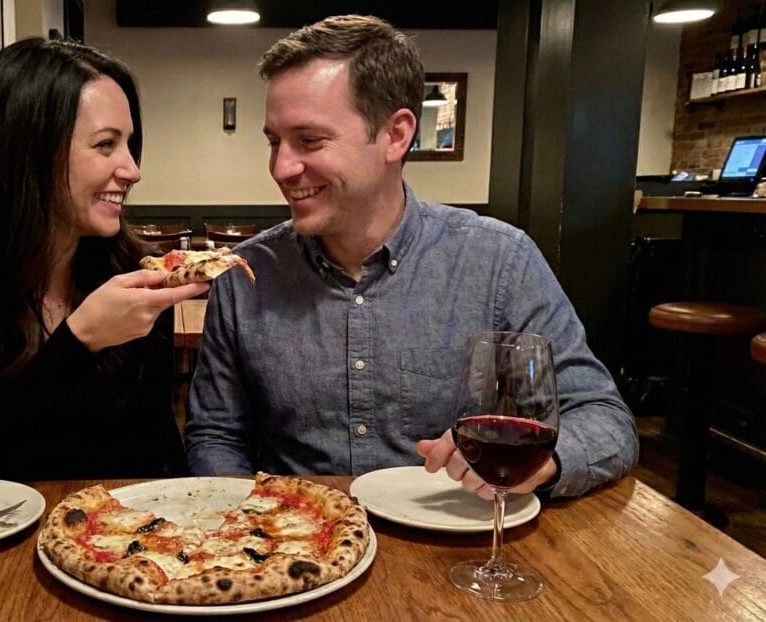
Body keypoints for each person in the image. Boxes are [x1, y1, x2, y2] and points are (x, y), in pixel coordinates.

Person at [185, 15, 638, 499]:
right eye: (274, 142)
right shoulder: (247, 275)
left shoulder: (499, 260)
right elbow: (216, 436)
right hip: (296, 545)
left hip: (457, 539)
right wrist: (245, 519)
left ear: (397, 135)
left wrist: (545, 464)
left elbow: (605, 419)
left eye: (310, 140)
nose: (281, 167)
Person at [0, 38, 208, 482]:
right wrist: (81, 339)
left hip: (110, 534)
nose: (132, 169)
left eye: (130, 144)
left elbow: (153, 447)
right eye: (106, 145)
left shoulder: (130, 268)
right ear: (27, 150)